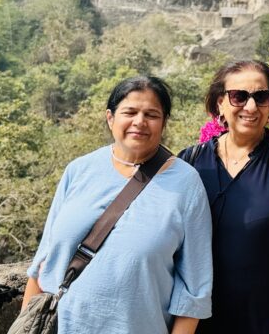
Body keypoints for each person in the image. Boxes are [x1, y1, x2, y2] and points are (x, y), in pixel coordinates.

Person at [22, 75, 213, 334]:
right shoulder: (79, 170)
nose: (139, 122)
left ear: (164, 123)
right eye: (130, 112)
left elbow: (194, 289)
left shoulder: (186, 184)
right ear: (110, 118)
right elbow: (42, 262)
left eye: (151, 115)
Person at [179, 60, 269, 334]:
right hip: (195, 323)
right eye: (239, 96)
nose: (250, 107)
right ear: (220, 102)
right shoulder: (191, 162)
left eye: (261, 97)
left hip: (265, 321)